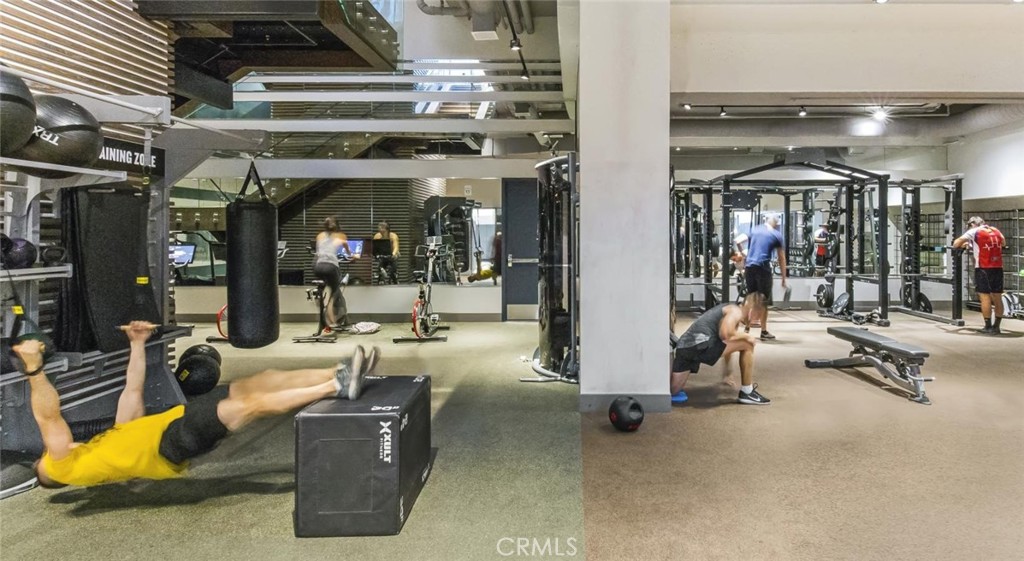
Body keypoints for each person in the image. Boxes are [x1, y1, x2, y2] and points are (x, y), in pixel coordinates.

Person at [12, 322, 380, 489]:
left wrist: (138, 344)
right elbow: (48, 416)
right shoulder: (64, 470)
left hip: (178, 422)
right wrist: (34, 369)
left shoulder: (106, 446)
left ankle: (338, 370)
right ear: (49, 471)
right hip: (174, 442)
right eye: (45, 457)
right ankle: (337, 385)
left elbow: (132, 391)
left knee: (256, 382)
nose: (51, 450)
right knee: (251, 405)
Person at [670, 303, 770, 406]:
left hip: (685, 348)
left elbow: (727, 343)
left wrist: (727, 374)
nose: (755, 322)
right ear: (750, 311)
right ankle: (747, 392)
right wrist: (747, 336)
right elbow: (725, 334)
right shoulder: (735, 311)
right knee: (748, 345)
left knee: (673, 390)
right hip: (699, 345)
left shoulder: (729, 312)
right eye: (756, 317)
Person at [954, 216, 1006, 334]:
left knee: (985, 297)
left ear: (973, 224)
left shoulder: (974, 231)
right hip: (998, 267)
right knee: (997, 297)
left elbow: (956, 243)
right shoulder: (995, 230)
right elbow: (1003, 242)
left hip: (983, 267)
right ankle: (996, 327)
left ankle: (987, 326)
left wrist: (965, 243)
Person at [743, 216, 787, 340]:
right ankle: (764, 331)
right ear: (776, 224)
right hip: (763, 267)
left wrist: (742, 255)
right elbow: (781, 257)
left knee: (750, 297)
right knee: (763, 300)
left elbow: (738, 241)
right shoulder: (776, 235)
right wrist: (784, 277)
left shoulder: (754, 230)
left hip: (749, 267)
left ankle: (746, 328)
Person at [314, 217, 357, 327]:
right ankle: (331, 320)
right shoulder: (341, 236)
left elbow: (319, 251)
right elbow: (350, 254)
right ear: (337, 225)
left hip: (318, 267)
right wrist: (354, 257)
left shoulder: (320, 235)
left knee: (322, 290)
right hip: (330, 267)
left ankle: (320, 304)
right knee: (334, 292)